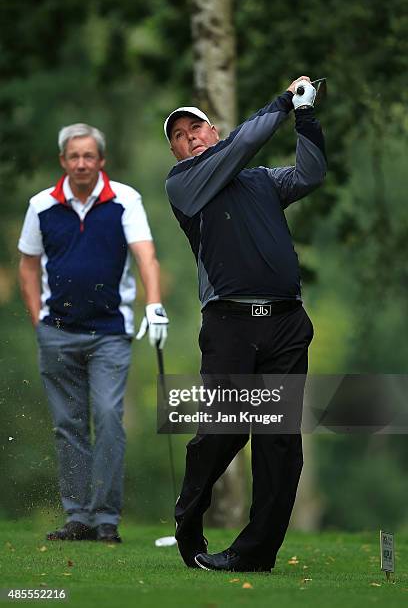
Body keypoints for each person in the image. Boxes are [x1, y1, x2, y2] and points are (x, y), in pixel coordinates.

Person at [163, 77, 326, 571]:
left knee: (279, 442)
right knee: (224, 432)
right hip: (230, 326)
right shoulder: (184, 185)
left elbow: (311, 174)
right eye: (180, 135)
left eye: (197, 128)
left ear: (214, 130)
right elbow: (244, 143)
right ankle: (189, 513)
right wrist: (281, 101)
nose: (191, 137)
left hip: (284, 323)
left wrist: (306, 116)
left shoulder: (261, 181)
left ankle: (254, 554)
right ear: (175, 151)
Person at [18, 123, 168, 543]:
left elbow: (146, 256)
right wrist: (38, 320)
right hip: (58, 331)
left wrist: (154, 305)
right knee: (68, 423)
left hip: (109, 332)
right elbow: (27, 264)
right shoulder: (42, 205)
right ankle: (78, 517)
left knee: (106, 416)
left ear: (101, 161)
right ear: (63, 162)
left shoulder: (125, 200)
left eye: (89, 156)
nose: (82, 163)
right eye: (74, 156)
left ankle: (106, 518)